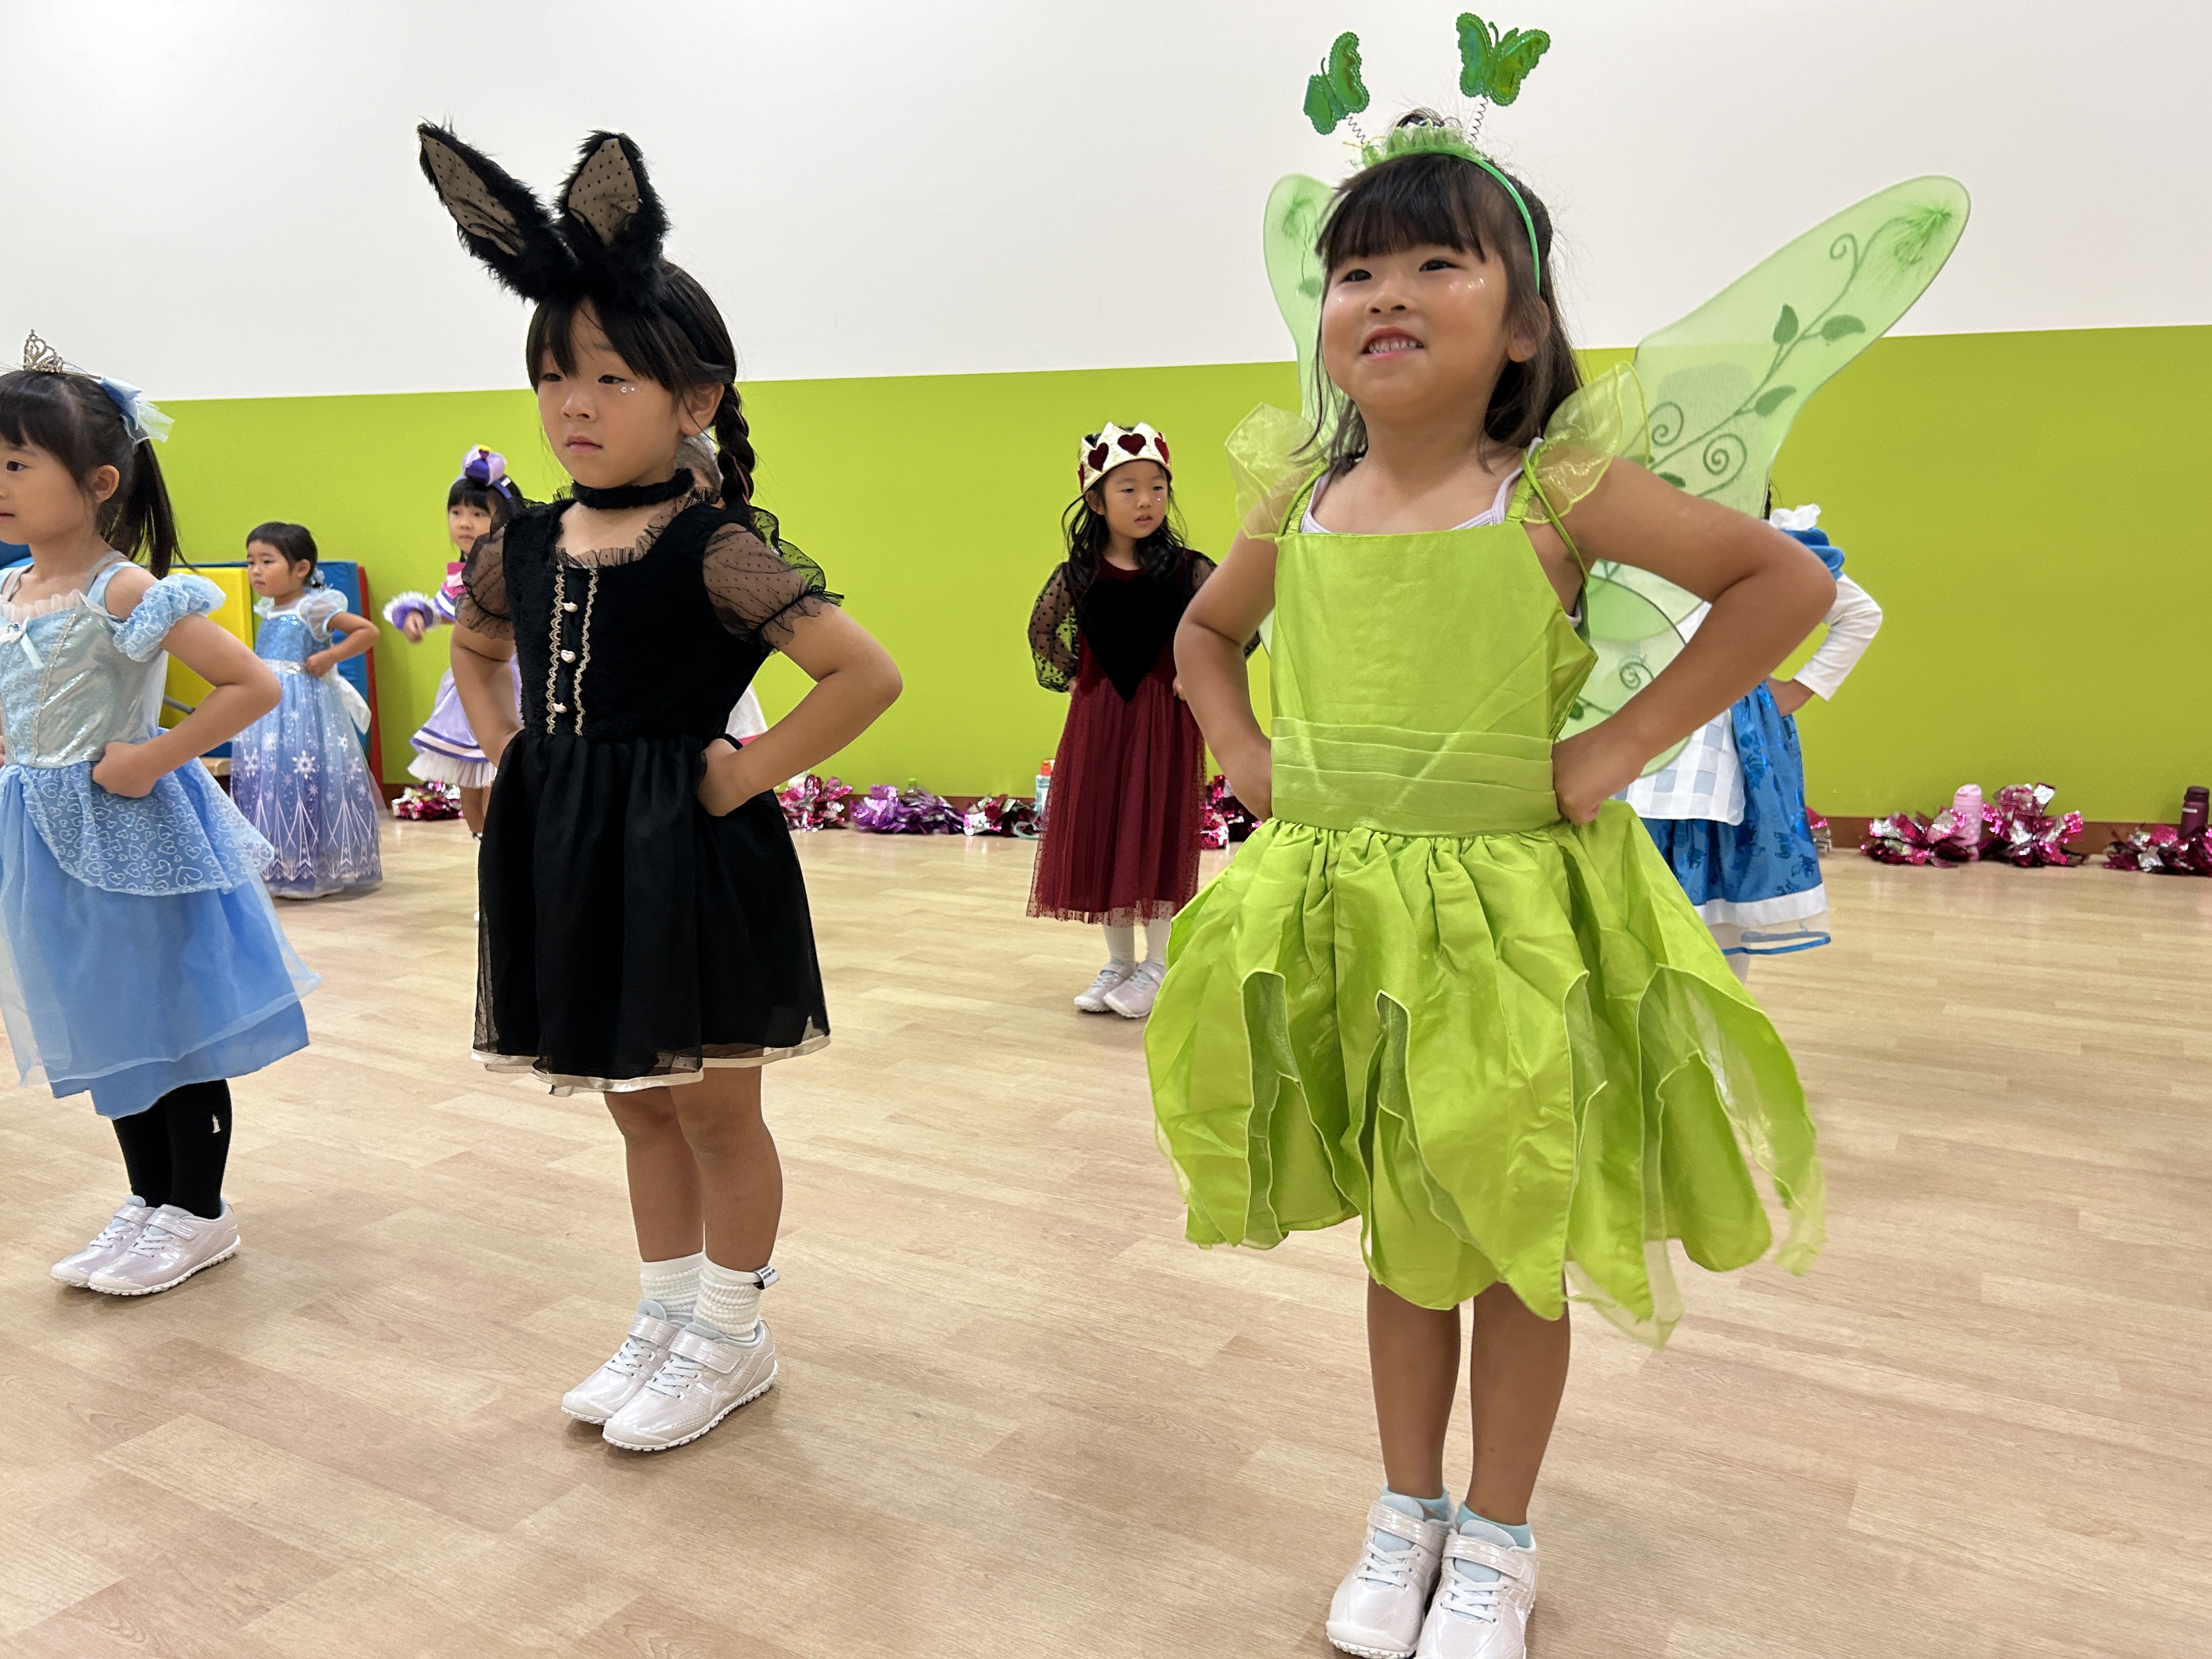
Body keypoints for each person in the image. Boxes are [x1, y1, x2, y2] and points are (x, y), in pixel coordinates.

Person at [1146, 90, 1833, 1659]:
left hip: (1513, 927)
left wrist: (1620, 745)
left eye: (1436, 264)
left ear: (1522, 326)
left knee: (1516, 1235)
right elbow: (1205, 633)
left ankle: (1500, 1536)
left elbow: (1777, 582)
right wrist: (1241, 750)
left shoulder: (1554, 494)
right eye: (1356, 272)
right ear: (1326, 320)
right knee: (1407, 1235)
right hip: (1348, 917)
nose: (1386, 295)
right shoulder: (1299, 501)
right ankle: (1406, 1513)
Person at [417, 126, 901, 1452]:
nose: (573, 403)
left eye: (610, 377)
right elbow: (475, 648)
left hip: (689, 856)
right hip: (574, 851)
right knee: (634, 1099)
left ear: (694, 400)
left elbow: (862, 675)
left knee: (715, 1108)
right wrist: (508, 751)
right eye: (552, 376)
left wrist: (744, 773)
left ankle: (733, 1335)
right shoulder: (523, 540)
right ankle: (666, 1312)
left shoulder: (715, 547)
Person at [0, 339, 316, 1296]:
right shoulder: (10, 589)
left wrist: (147, 758)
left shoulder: (124, 588)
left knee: (168, 1020)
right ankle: (146, 1200)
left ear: (99, 482)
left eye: (16, 463)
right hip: (41, 835)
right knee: (103, 1016)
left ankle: (198, 1210)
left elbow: (250, 682)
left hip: (129, 834)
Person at [1625, 501, 1882, 975]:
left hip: (1721, 744)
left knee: (1721, 898)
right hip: (1629, 727)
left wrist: (1800, 689)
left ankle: (1718, 1011)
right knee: (1628, 889)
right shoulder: (1626, 530)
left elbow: (1860, 615)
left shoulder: (1768, 543)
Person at [1025, 423, 1216, 1018]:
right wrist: (1080, 677)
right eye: (1128, 489)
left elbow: (1232, 627)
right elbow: (1041, 630)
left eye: (1157, 488)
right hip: (1101, 720)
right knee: (1106, 831)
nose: (1146, 501)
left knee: (1155, 832)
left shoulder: (1189, 570)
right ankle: (1119, 962)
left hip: (1163, 721)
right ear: (1096, 500)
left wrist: (1195, 674)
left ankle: (1158, 964)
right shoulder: (1078, 575)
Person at [232, 520, 384, 896]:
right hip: (269, 710)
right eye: (251, 562)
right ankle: (277, 865)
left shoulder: (312, 608)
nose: (256, 571)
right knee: (272, 778)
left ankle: (313, 868)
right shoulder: (269, 609)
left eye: (267, 561)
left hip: (303, 710)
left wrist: (330, 656)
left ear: (301, 568)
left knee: (303, 779)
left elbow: (367, 631)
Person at [383, 447, 526, 836]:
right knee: (470, 792)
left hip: (512, 685)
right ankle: (483, 848)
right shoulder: (460, 575)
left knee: (502, 778)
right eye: (457, 512)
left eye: (479, 514)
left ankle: (505, 850)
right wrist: (416, 616)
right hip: (468, 687)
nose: (464, 522)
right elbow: (443, 610)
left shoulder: (516, 569)